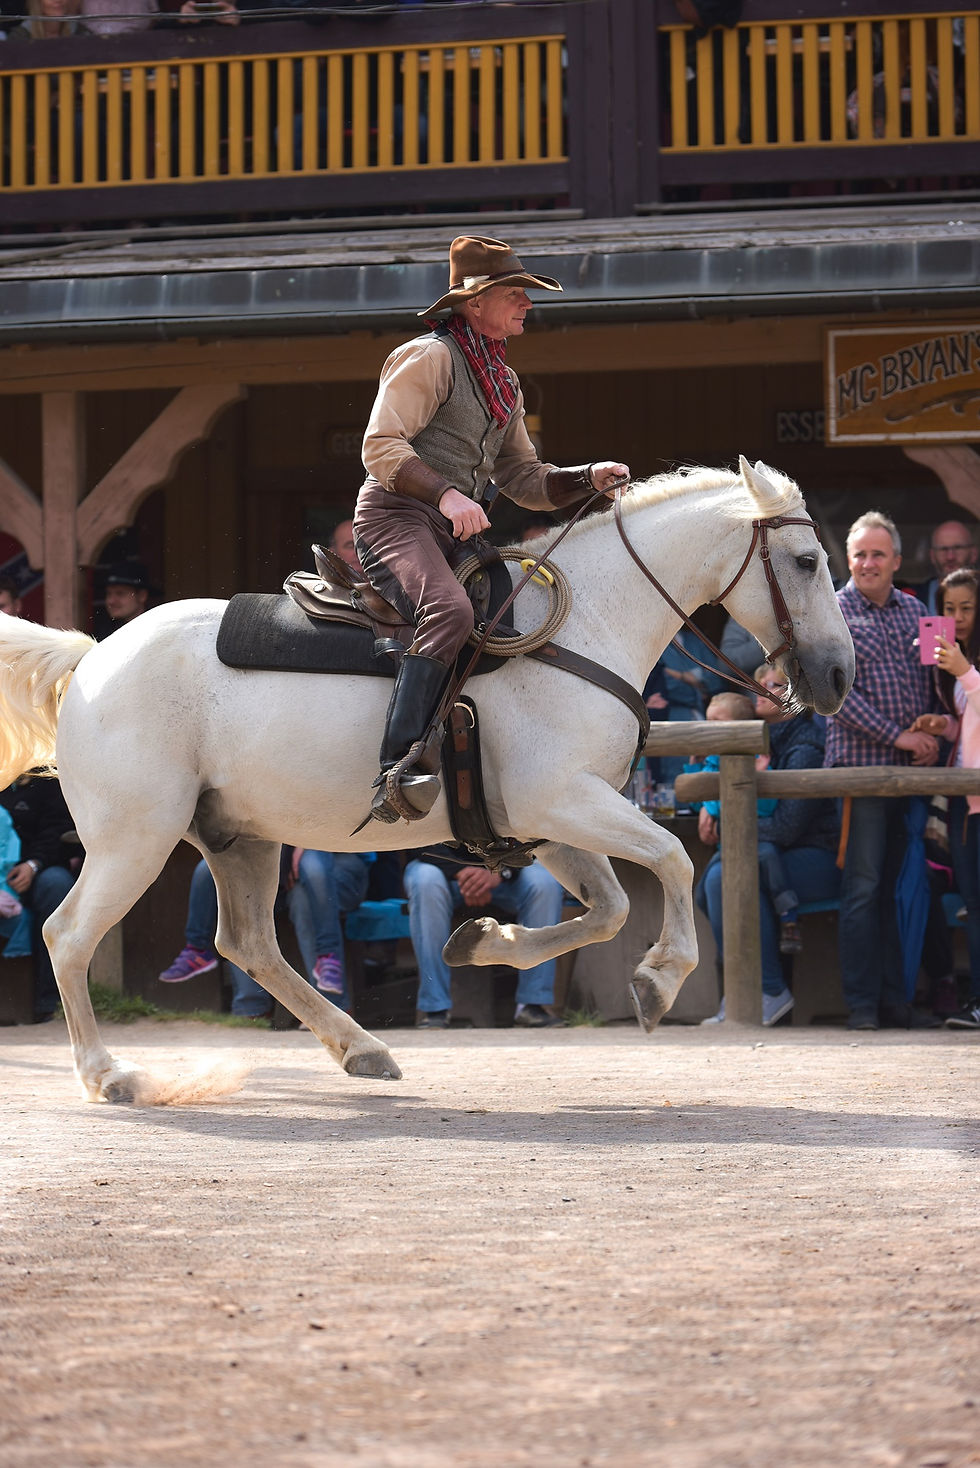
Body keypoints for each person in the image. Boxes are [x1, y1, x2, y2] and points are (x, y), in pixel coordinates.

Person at [354, 235, 629, 824]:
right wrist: (448, 493)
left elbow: (523, 480)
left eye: (526, 294)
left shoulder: (503, 381)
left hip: (451, 529)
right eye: (515, 293)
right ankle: (397, 769)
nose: (527, 303)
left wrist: (587, 478)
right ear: (474, 304)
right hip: (394, 518)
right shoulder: (428, 357)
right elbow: (379, 448)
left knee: (514, 620)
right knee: (451, 612)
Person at [825, 510, 940, 1031]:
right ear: (848, 561)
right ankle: (863, 1005)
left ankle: (899, 999)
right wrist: (899, 737)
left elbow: (934, 682)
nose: (867, 563)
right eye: (859, 555)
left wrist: (932, 732)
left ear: (896, 560)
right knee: (864, 887)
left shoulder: (917, 610)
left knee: (904, 886)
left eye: (877, 554)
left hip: (913, 774)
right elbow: (834, 695)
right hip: (861, 772)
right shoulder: (831, 612)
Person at [696, 678, 840, 1025]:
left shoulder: (805, 745)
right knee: (715, 881)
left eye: (776, 683)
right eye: (758, 682)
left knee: (722, 878)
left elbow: (788, 828)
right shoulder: (751, 740)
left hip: (816, 857)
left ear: (799, 696)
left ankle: (768, 989)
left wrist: (728, 833)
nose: (762, 689)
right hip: (766, 854)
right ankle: (748, 992)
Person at [159, 847, 371, 1016]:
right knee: (238, 889)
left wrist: (305, 843)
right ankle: (251, 1007)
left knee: (303, 900)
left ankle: (329, 1008)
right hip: (274, 849)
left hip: (334, 850)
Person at [913, 567, 980, 1029]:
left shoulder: (965, 664)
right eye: (949, 609)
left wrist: (966, 673)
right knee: (973, 904)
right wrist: (945, 726)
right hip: (963, 795)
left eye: (967, 608)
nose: (957, 617)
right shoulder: (962, 659)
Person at [403, 845, 565, 1028]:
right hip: (445, 872)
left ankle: (533, 1004)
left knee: (544, 883)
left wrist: (500, 872)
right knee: (425, 880)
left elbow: (528, 838)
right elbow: (418, 844)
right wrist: (463, 873)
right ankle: (434, 1009)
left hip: (508, 873)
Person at [0, 774, 78, 1024]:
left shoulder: (47, 781)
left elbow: (58, 829)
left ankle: (52, 1002)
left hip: (41, 868)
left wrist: (33, 865)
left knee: (57, 886)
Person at [906, 520, 977, 614]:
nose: (950, 557)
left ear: (974, 553)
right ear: (932, 556)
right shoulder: (912, 599)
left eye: (958, 548)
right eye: (943, 549)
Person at [102, 562, 152, 631]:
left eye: (120, 593)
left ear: (142, 596)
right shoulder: (105, 634)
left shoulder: (156, 630)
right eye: (108, 593)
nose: (111, 601)